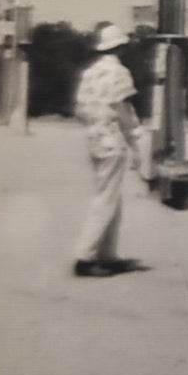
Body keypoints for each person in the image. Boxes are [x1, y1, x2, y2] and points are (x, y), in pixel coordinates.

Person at [71, 24, 144, 277]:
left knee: (111, 197)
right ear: (120, 48)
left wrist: (95, 124)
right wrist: (135, 137)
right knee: (105, 199)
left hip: (94, 138)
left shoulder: (90, 73)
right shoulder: (119, 73)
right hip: (112, 140)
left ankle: (107, 254)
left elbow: (80, 108)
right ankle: (85, 256)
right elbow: (123, 108)